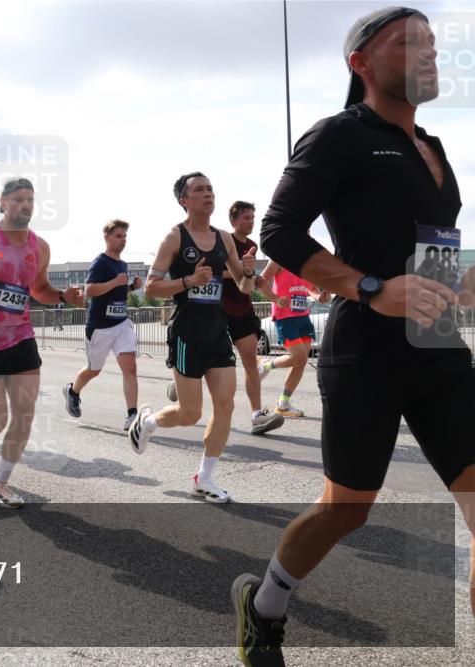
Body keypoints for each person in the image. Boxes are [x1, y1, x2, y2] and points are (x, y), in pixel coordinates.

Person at [231, 8, 475, 665]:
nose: (428, 52)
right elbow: (280, 231)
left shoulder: (437, 148)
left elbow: (430, 246)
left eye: (432, 42)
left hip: (440, 345)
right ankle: (264, 606)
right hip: (366, 349)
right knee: (347, 509)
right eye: (409, 42)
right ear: (360, 63)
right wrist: (371, 287)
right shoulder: (337, 136)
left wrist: (459, 283)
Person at [0, 177, 85, 507]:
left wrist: (63, 297)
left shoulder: (40, 246)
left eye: (30, 200)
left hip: (21, 337)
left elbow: (39, 290)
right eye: (18, 199)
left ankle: (1, 484)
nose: (25, 205)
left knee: (24, 415)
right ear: (3, 203)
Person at [130, 172, 257, 504]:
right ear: (184, 200)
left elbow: (244, 288)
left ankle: (205, 476)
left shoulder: (224, 239)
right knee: (189, 413)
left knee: (226, 403)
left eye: (210, 188)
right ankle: (149, 422)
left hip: (217, 329)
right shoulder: (175, 237)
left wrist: (249, 270)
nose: (208, 194)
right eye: (199, 190)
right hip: (186, 331)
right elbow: (151, 288)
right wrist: (188, 281)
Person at [204, 201, 285, 435]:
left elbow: (254, 278)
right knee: (210, 361)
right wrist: (239, 269)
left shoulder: (251, 245)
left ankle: (257, 416)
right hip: (219, 309)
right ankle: (182, 378)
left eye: (252, 217)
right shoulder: (221, 242)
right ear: (233, 221)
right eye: (246, 218)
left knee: (250, 361)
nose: (250, 222)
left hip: (243, 309)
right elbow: (213, 274)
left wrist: (275, 297)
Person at [63, 219, 144, 431]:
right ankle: (73, 391)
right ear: (107, 237)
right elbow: (89, 290)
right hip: (100, 327)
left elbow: (116, 292)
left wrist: (130, 288)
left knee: (130, 368)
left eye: (125, 236)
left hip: (121, 324)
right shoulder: (100, 262)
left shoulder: (122, 264)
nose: (123, 240)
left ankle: (132, 416)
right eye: (118, 236)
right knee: (94, 370)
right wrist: (115, 282)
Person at [257, 261, 331, 417]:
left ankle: (283, 404)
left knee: (301, 362)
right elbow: (260, 282)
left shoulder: (305, 263)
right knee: (299, 357)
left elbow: (311, 289)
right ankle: (266, 365)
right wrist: (276, 298)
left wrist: (320, 297)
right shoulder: (278, 260)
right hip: (285, 317)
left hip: (303, 317)